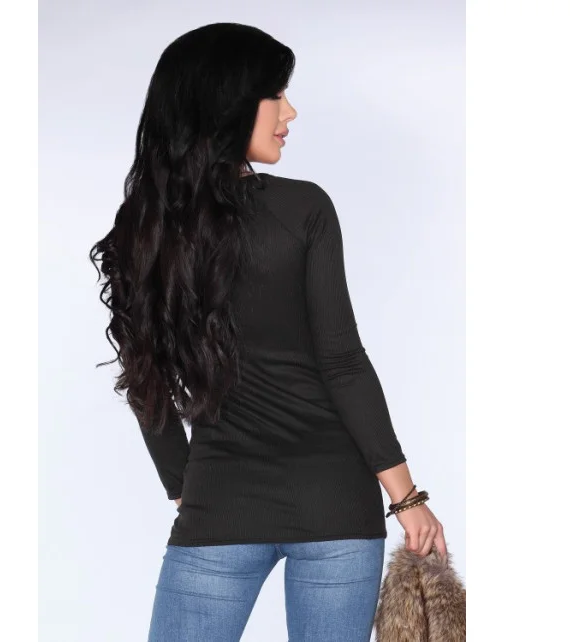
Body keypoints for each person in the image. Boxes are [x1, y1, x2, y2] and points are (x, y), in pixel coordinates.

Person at [89, 22, 448, 642]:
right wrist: (407, 499)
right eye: (275, 94)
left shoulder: (143, 231)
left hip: (223, 502)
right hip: (336, 503)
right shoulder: (303, 208)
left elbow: (147, 383)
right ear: (227, 103)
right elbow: (342, 360)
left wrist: (188, 489)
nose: (290, 112)